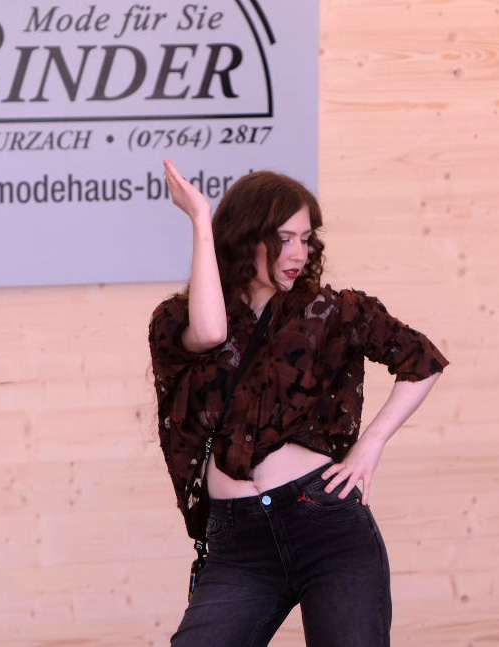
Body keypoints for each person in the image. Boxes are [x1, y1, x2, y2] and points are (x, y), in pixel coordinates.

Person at [149, 159, 448, 647]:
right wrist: (201, 219)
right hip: (239, 543)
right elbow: (211, 332)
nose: (298, 253)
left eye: (305, 239)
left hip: (326, 526)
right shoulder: (176, 320)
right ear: (245, 239)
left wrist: (370, 445)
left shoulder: (332, 311)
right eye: (283, 238)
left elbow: (423, 361)